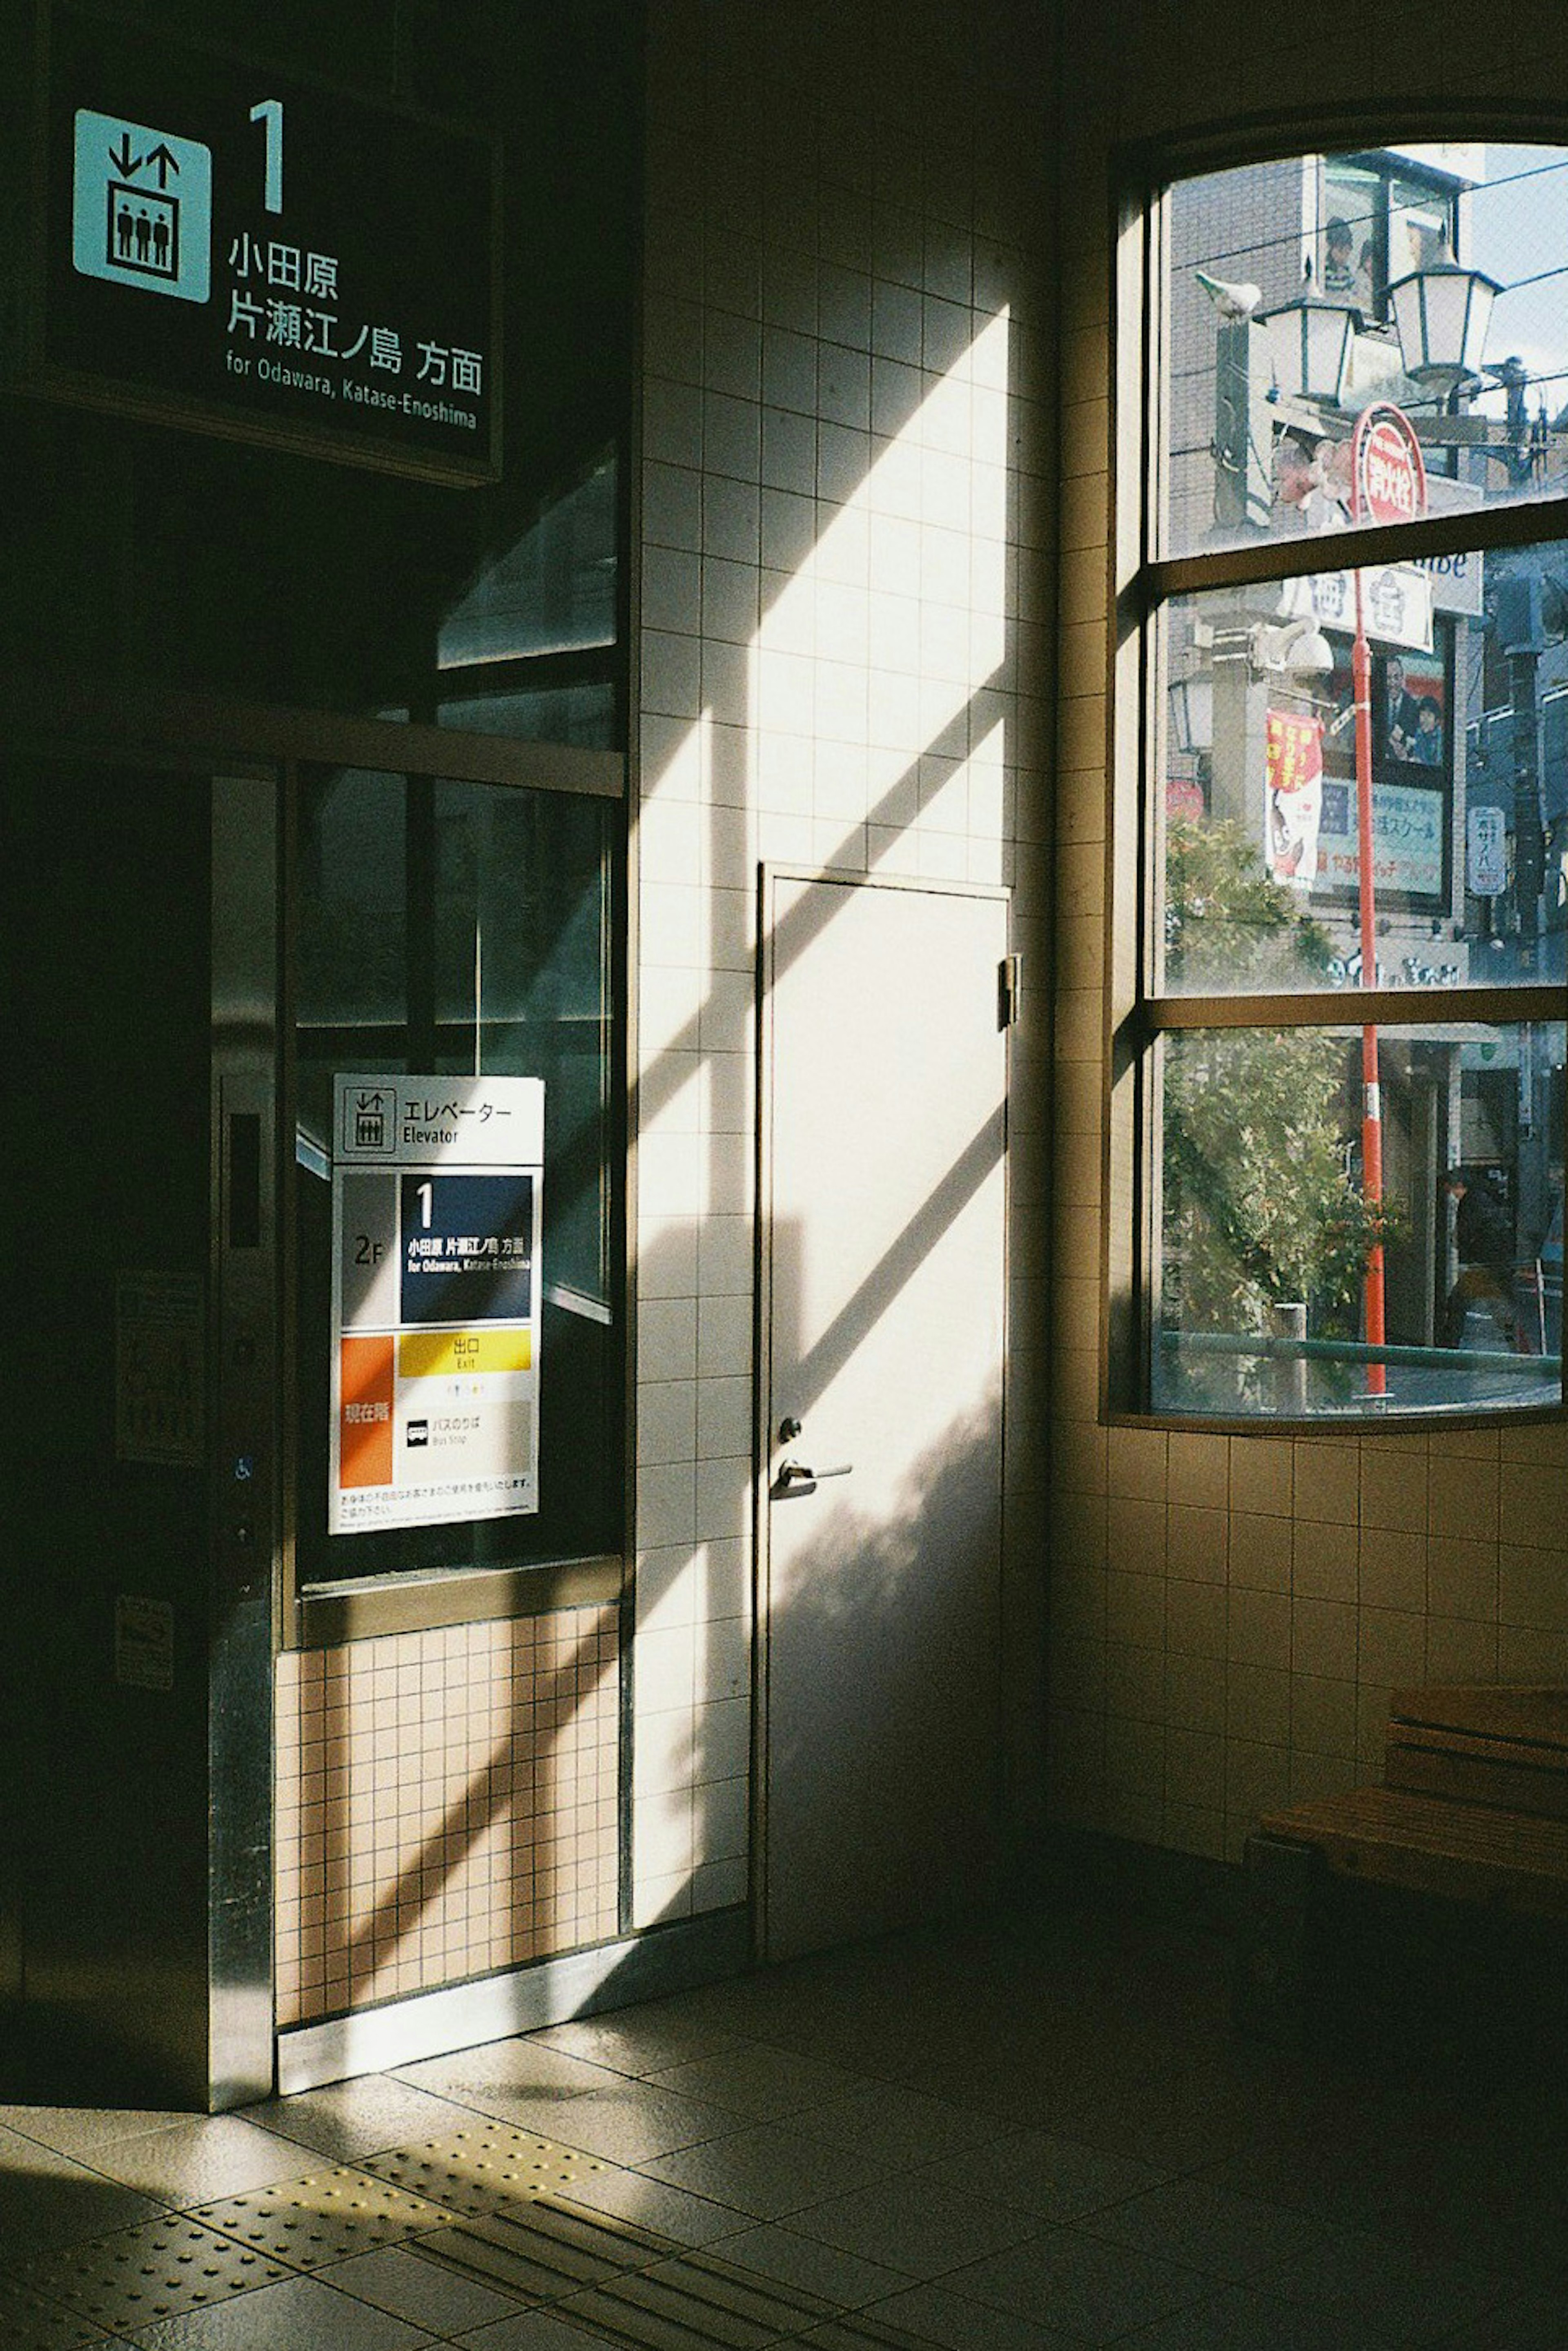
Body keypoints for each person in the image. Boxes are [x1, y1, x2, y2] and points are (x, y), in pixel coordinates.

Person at [1442, 1166, 1517, 1347]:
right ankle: (1513, 1339)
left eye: (1451, 1190)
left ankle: (1450, 1343)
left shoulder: (1471, 1203)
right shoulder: (1482, 1199)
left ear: (1459, 1186)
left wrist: (1466, 1257)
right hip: (1495, 1261)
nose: (1452, 1194)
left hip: (1484, 1262)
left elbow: (1467, 1233)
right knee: (1496, 1301)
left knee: (1458, 1301)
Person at [1323, 217, 1356, 295]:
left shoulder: (1348, 275)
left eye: (1347, 253)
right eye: (1341, 251)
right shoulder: (1323, 271)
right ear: (1331, 247)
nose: (1344, 257)